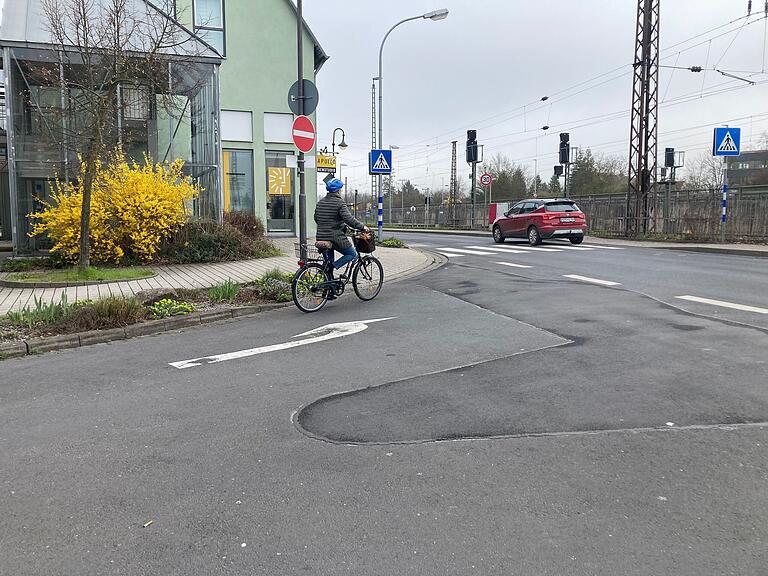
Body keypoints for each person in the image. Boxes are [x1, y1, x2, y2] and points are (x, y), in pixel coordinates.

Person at [314, 178, 369, 280]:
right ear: (338, 191)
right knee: (352, 254)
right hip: (335, 237)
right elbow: (348, 219)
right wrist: (362, 227)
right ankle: (334, 266)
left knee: (327, 265)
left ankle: (328, 291)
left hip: (321, 237)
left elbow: (316, 218)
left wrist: (326, 225)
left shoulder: (320, 202)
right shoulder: (339, 202)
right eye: (341, 190)